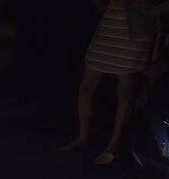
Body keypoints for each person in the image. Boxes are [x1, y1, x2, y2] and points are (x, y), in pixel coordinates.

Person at [61, 0, 157, 165]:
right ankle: (83, 137)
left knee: (125, 92)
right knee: (86, 86)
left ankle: (114, 144)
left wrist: (155, 10)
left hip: (133, 30)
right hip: (109, 25)